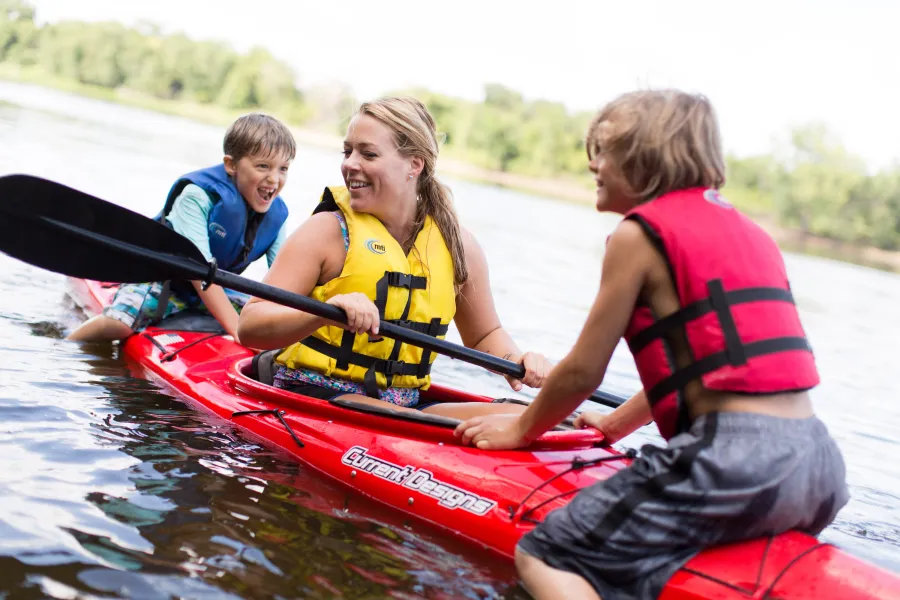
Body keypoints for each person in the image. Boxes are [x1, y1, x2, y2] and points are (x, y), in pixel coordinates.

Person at [454, 89, 849, 599]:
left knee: (547, 555)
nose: (593, 163)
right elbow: (716, 368)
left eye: (605, 149)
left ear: (648, 154)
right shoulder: (751, 233)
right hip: (820, 466)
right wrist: (616, 425)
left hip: (733, 462)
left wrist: (523, 431)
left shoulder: (637, 235)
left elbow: (581, 372)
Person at [237, 97, 551, 418]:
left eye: (368, 154)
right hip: (316, 394)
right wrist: (324, 314)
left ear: (415, 164)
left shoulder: (459, 246)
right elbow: (249, 326)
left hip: (404, 405)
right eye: (348, 151)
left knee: (532, 418)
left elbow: (484, 335)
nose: (349, 164)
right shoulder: (327, 232)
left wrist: (516, 361)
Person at [67, 113, 296, 343]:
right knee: (118, 325)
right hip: (160, 279)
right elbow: (199, 272)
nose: (274, 179)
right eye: (263, 166)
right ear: (231, 165)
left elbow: (285, 284)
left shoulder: (277, 214)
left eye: (283, 169)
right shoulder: (196, 197)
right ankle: (66, 344)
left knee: (259, 315)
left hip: (215, 290)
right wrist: (239, 331)